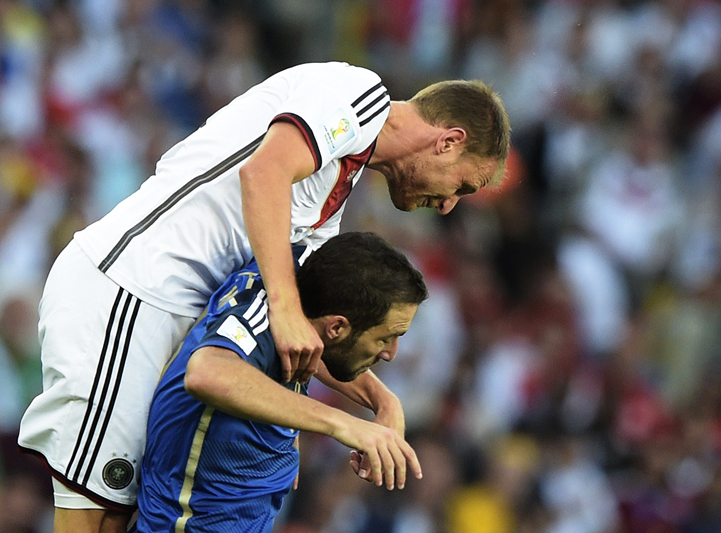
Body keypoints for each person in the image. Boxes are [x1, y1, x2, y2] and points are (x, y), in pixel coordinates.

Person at [17, 61, 510, 533]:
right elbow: (264, 173)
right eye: (462, 186)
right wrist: (284, 307)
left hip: (175, 314)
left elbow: (306, 326)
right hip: (129, 289)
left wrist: (378, 400)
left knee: (124, 519)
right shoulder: (357, 94)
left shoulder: (335, 187)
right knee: (95, 515)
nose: (448, 205)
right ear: (449, 141)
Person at [131, 231, 428, 532]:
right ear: (336, 326)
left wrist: (384, 401)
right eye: (386, 338)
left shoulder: (302, 282)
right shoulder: (256, 317)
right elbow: (206, 372)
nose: (391, 353)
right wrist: (345, 424)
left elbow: (328, 351)